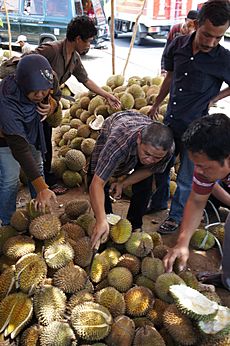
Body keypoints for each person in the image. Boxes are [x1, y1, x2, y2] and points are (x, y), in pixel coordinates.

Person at [148, 0, 230, 234]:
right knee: (161, 166)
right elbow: (170, 77)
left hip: (196, 128)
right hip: (171, 120)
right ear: (196, 24)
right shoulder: (177, 45)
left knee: (186, 175)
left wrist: (215, 98)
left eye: (218, 37)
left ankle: (175, 217)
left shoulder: (223, 58)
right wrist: (156, 103)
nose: (211, 42)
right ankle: (158, 202)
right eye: (206, 35)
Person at [34, 15, 120, 188]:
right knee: (34, 146)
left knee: (45, 143)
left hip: (47, 106)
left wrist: (107, 95)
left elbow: (85, 80)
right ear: (78, 39)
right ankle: (38, 184)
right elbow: (22, 66)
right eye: (88, 41)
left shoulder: (74, 57)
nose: (89, 45)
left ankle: (47, 180)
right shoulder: (50, 50)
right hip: (30, 105)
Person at [89, 110, 175, 248]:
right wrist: (100, 219)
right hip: (117, 125)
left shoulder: (167, 150)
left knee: (145, 185)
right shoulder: (117, 143)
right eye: (147, 153)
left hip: (139, 126)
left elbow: (149, 169)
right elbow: (97, 184)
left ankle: (135, 224)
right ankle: (106, 223)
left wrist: (123, 183)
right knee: (96, 176)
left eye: (156, 157)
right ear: (139, 139)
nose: (150, 160)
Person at [163, 113, 230, 290]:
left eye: (203, 166)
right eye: (196, 165)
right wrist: (183, 242)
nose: (198, 171)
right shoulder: (206, 168)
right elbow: (197, 202)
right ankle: (227, 278)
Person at [0, 54, 58, 225]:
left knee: (38, 167)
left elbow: (57, 94)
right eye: (35, 92)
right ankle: (7, 222)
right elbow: (20, 148)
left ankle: (39, 215)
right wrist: (42, 187)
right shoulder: (6, 100)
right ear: (23, 85)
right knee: (10, 179)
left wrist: (51, 106)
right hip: (5, 137)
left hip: (32, 130)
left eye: (44, 90)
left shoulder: (48, 77)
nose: (40, 95)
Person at [161, 10, 198, 75]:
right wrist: (163, 69)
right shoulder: (176, 29)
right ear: (185, 20)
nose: (190, 28)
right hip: (173, 65)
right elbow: (167, 50)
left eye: (193, 25)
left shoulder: (198, 34)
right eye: (189, 24)